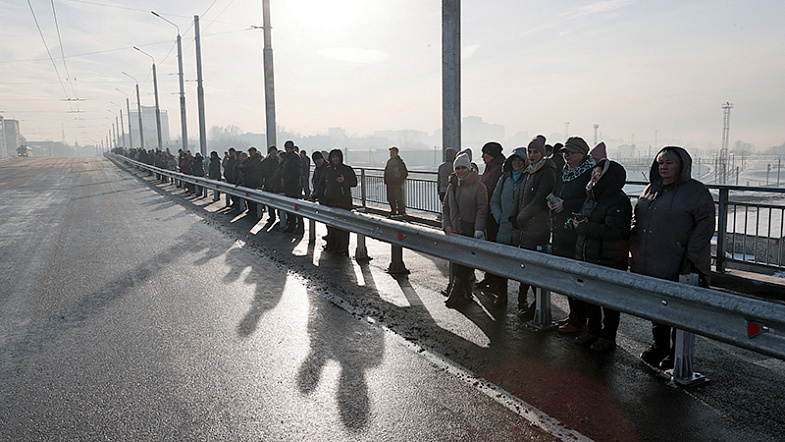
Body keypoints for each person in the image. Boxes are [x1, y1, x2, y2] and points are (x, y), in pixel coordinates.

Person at [632, 146, 715, 370]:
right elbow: (638, 220)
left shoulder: (695, 191)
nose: (664, 167)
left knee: (679, 309)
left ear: (682, 166)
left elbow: (706, 224)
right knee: (657, 306)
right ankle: (660, 346)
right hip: (651, 259)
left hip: (682, 261)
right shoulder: (650, 189)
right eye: (660, 163)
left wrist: (691, 254)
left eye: (670, 163)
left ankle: (678, 351)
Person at [572, 159, 631, 352]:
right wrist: (580, 223)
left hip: (609, 259)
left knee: (609, 301)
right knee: (590, 298)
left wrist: (584, 227)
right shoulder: (592, 197)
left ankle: (608, 336)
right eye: (593, 174)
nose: (594, 177)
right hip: (589, 255)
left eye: (599, 174)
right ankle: (592, 330)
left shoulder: (618, 199)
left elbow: (615, 230)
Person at [549, 137, 595, 334]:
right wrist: (553, 203)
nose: (566, 156)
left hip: (576, 232)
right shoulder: (565, 173)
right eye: (565, 152)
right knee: (568, 277)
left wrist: (565, 205)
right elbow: (558, 193)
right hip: (561, 229)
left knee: (578, 279)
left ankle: (579, 321)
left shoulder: (590, 173)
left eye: (571, 152)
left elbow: (589, 200)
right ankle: (574, 315)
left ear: (582, 154)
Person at [512, 135, 555, 319]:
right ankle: (524, 301)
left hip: (537, 228)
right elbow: (520, 197)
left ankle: (536, 306)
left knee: (534, 269)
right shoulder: (529, 171)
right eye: (529, 151)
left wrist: (520, 218)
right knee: (525, 267)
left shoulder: (546, 172)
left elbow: (539, 201)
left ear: (542, 154)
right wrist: (514, 215)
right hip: (525, 227)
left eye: (535, 152)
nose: (531, 155)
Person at [442, 151, 488, 308]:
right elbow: (446, 208)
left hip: (470, 230)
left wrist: (479, 229)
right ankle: (467, 294)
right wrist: (447, 225)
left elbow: (482, 209)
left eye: (463, 168)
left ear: (469, 168)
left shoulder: (479, 186)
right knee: (460, 263)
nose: (460, 171)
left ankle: (456, 293)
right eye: (458, 168)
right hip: (455, 229)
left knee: (464, 264)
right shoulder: (452, 186)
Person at [488, 146, 527, 307]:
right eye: (514, 161)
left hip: (522, 229)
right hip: (504, 228)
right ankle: (502, 296)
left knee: (524, 267)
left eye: (520, 161)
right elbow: (494, 201)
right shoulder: (504, 179)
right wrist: (500, 218)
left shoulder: (528, 178)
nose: (517, 163)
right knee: (501, 266)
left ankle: (522, 299)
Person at [474, 141, 506, 293]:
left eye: (485, 154)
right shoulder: (492, 167)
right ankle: (489, 277)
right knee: (488, 247)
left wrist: (480, 189)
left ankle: (495, 281)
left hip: (493, 215)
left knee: (493, 247)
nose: (482, 156)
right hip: (488, 213)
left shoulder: (498, 169)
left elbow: (492, 191)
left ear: (491, 155)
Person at [321, 149, 358, 255]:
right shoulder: (328, 170)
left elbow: (354, 182)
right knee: (331, 226)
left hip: (343, 202)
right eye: (333, 157)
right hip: (330, 202)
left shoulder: (347, 169)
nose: (335, 159)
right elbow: (322, 183)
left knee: (343, 227)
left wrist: (344, 181)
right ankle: (333, 245)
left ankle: (343, 248)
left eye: (337, 157)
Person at [281, 141, 303, 233]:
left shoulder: (294, 157)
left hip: (293, 186)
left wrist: (287, 180)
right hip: (289, 185)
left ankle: (299, 227)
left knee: (296, 207)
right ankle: (292, 225)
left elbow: (295, 172)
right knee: (290, 207)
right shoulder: (290, 157)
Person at [384, 146, 409, 216]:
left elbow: (405, 173)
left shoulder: (399, 162)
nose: (391, 154)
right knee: (390, 198)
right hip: (390, 184)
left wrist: (399, 181)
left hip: (396, 184)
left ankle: (400, 212)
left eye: (392, 152)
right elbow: (387, 172)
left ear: (396, 153)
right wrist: (386, 181)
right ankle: (393, 211)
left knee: (398, 198)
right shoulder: (390, 161)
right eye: (390, 152)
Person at [260, 146, 281, 225]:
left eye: (275, 151)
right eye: (272, 151)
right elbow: (260, 171)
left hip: (277, 184)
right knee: (270, 201)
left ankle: (280, 216)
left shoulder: (279, 161)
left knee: (278, 201)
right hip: (268, 183)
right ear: (269, 152)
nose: (274, 152)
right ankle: (272, 216)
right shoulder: (265, 162)